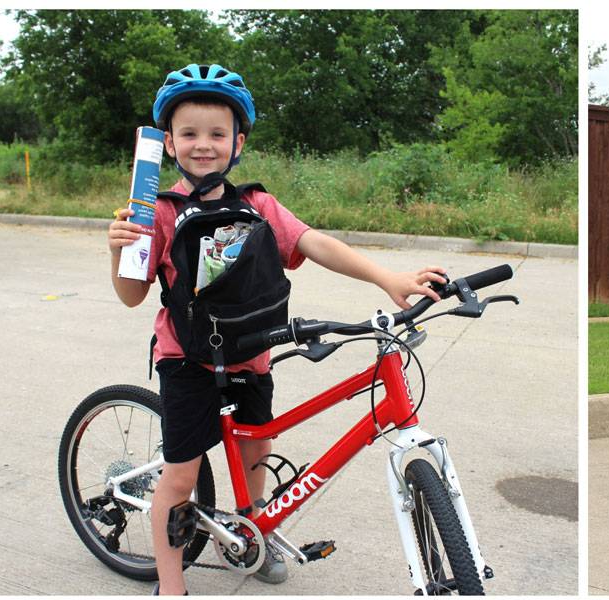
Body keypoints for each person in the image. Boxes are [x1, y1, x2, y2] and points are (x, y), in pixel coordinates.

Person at [106, 64, 447, 595]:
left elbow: (316, 243)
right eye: (190, 134)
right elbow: (131, 296)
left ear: (237, 141)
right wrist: (119, 250)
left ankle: (249, 533)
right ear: (167, 143)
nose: (204, 145)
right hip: (188, 362)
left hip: (253, 356)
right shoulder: (159, 213)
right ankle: (171, 585)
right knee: (179, 480)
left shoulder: (258, 206)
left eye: (217, 134)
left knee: (255, 457)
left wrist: (387, 278)